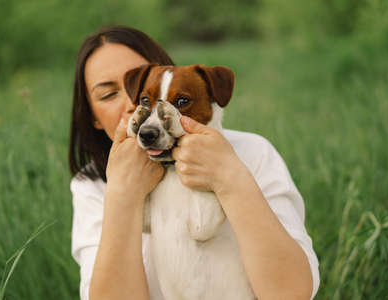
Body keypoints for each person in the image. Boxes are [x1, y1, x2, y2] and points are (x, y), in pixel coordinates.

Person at [69, 25, 320, 300]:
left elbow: (292, 294)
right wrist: (122, 194)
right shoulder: (91, 186)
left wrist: (230, 177)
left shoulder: (253, 153)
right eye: (108, 94)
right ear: (92, 116)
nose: (134, 106)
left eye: (179, 100)